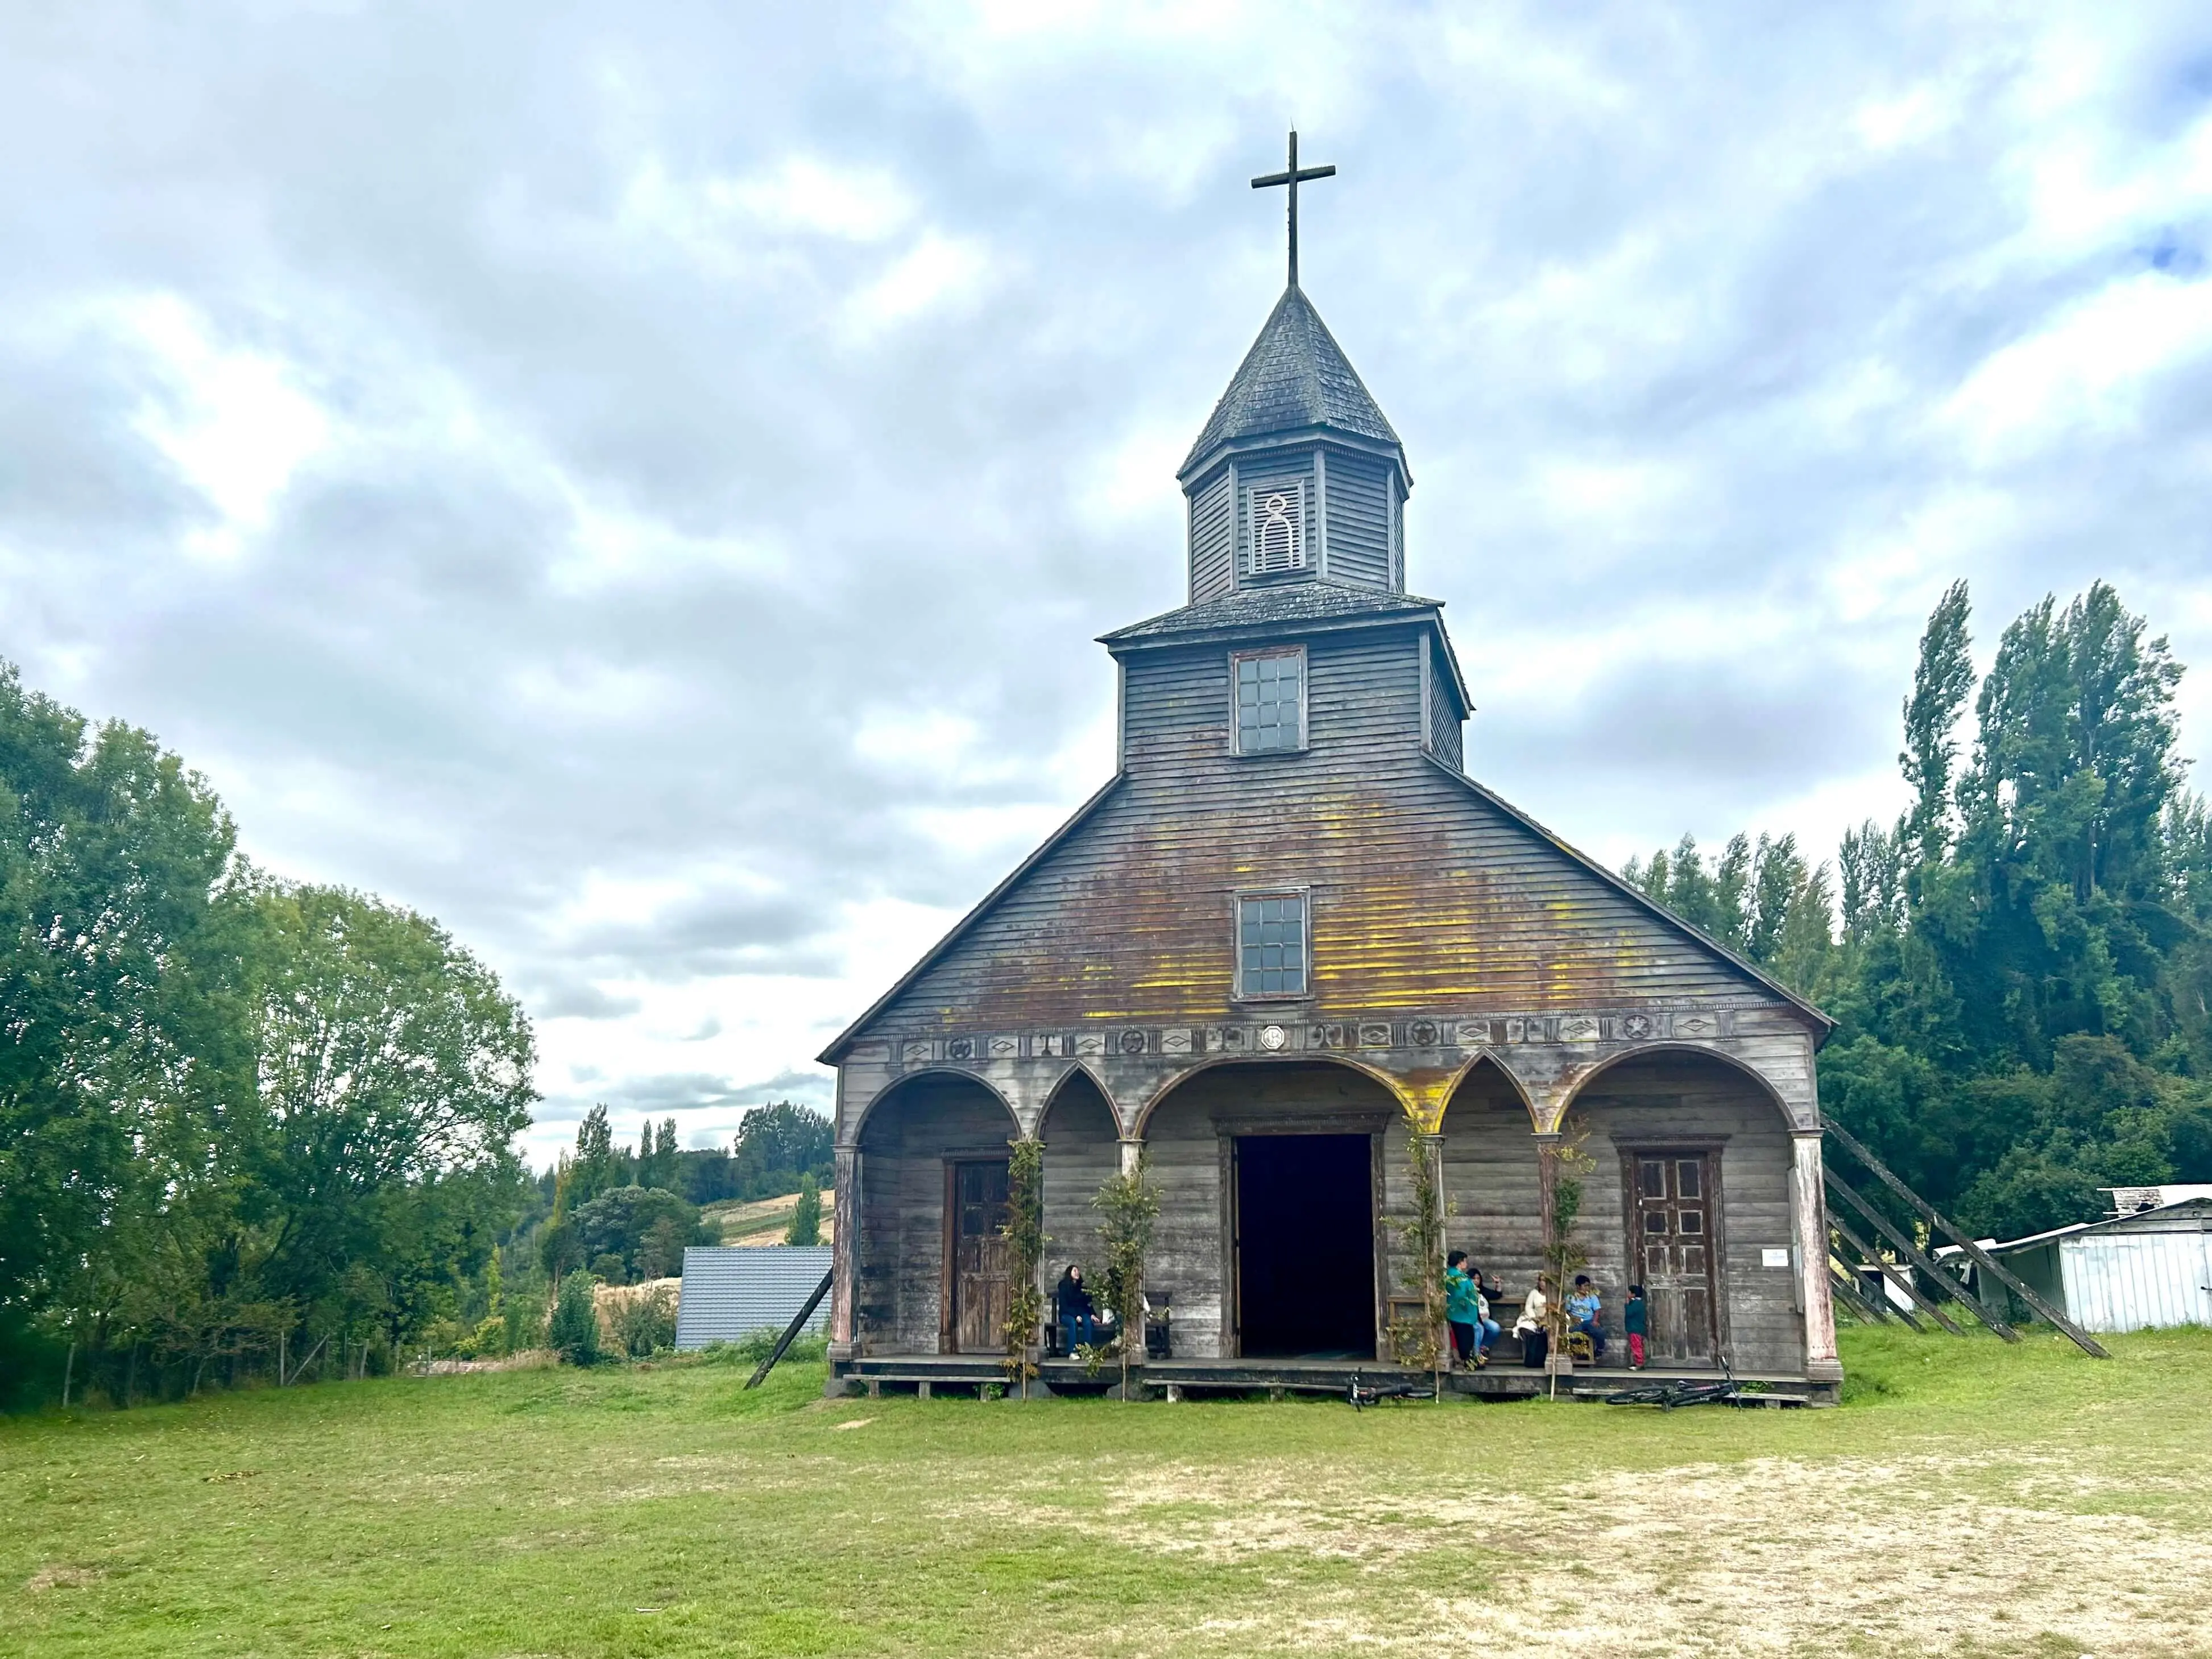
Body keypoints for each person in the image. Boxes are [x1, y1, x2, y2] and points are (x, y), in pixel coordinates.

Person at [1444, 1251, 1486, 1368]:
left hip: (1464, 1314)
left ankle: (1471, 1360)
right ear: (1459, 1262)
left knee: (1468, 1337)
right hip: (1461, 1314)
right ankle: (1468, 1361)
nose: (1466, 1263)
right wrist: (1470, 1300)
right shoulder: (1457, 1277)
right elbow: (1460, 1296)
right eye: (1464, 1261)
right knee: (1465, 1339)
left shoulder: (1457, 1275)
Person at [1055, 1264, 1095, 1355]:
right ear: (1069, 1273)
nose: (1077, 1273)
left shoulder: (1081, 1288)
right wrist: (1075, 1316)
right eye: (1075, 1271)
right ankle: (1072, 1351)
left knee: (1088, 1322)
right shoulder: (1064, 1286)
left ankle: (1087, 1350)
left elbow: (1088, 1303)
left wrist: (1092, 1314)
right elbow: (1064, 1305)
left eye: (1078, 1271)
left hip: (1081, 1313)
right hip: (1067, 1314)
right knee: (1073, 1323)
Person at [1567, 1274, 1606, 1361]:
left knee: (1600, 1332)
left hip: (1589, 1321)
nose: (1587, 1288)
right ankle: (1574, 1353)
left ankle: (1599, 1351)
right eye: (1585, 1286)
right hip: (1576, 1321)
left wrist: (1595, 1321)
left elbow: (1597, 1310)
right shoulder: (1571, 1297)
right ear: (1578, 1286)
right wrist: (1573, 1318)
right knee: (1574, 1333)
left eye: (1588, 1286)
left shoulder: (1592, 1296)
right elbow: (1568, 1311)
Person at [1513, 1280, 1550, 1369]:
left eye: (1544, 1281)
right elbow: (1529, 1307)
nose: (1542, 1283)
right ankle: (1532, 1359)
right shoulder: (1534, 1293)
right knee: (1526, 1329)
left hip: (1549, 1319)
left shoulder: (1553, 1295)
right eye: (1541, 1280)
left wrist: (1546, 1318)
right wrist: (1535, 1318)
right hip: (1534, 1319)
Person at [1624, 1284, 1648, 1370]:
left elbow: (1629, 1313)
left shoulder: (1636, 1304)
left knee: (1636, 1346)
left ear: (1633, 1294)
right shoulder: (1638, 1303)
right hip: (1636, 1328)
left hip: (1635, 1329)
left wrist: (1627, 1305)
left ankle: (1639, 1363)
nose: (1628, 1294)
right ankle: (1637, 1362)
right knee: (1636, 1345)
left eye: (1629, 1292)